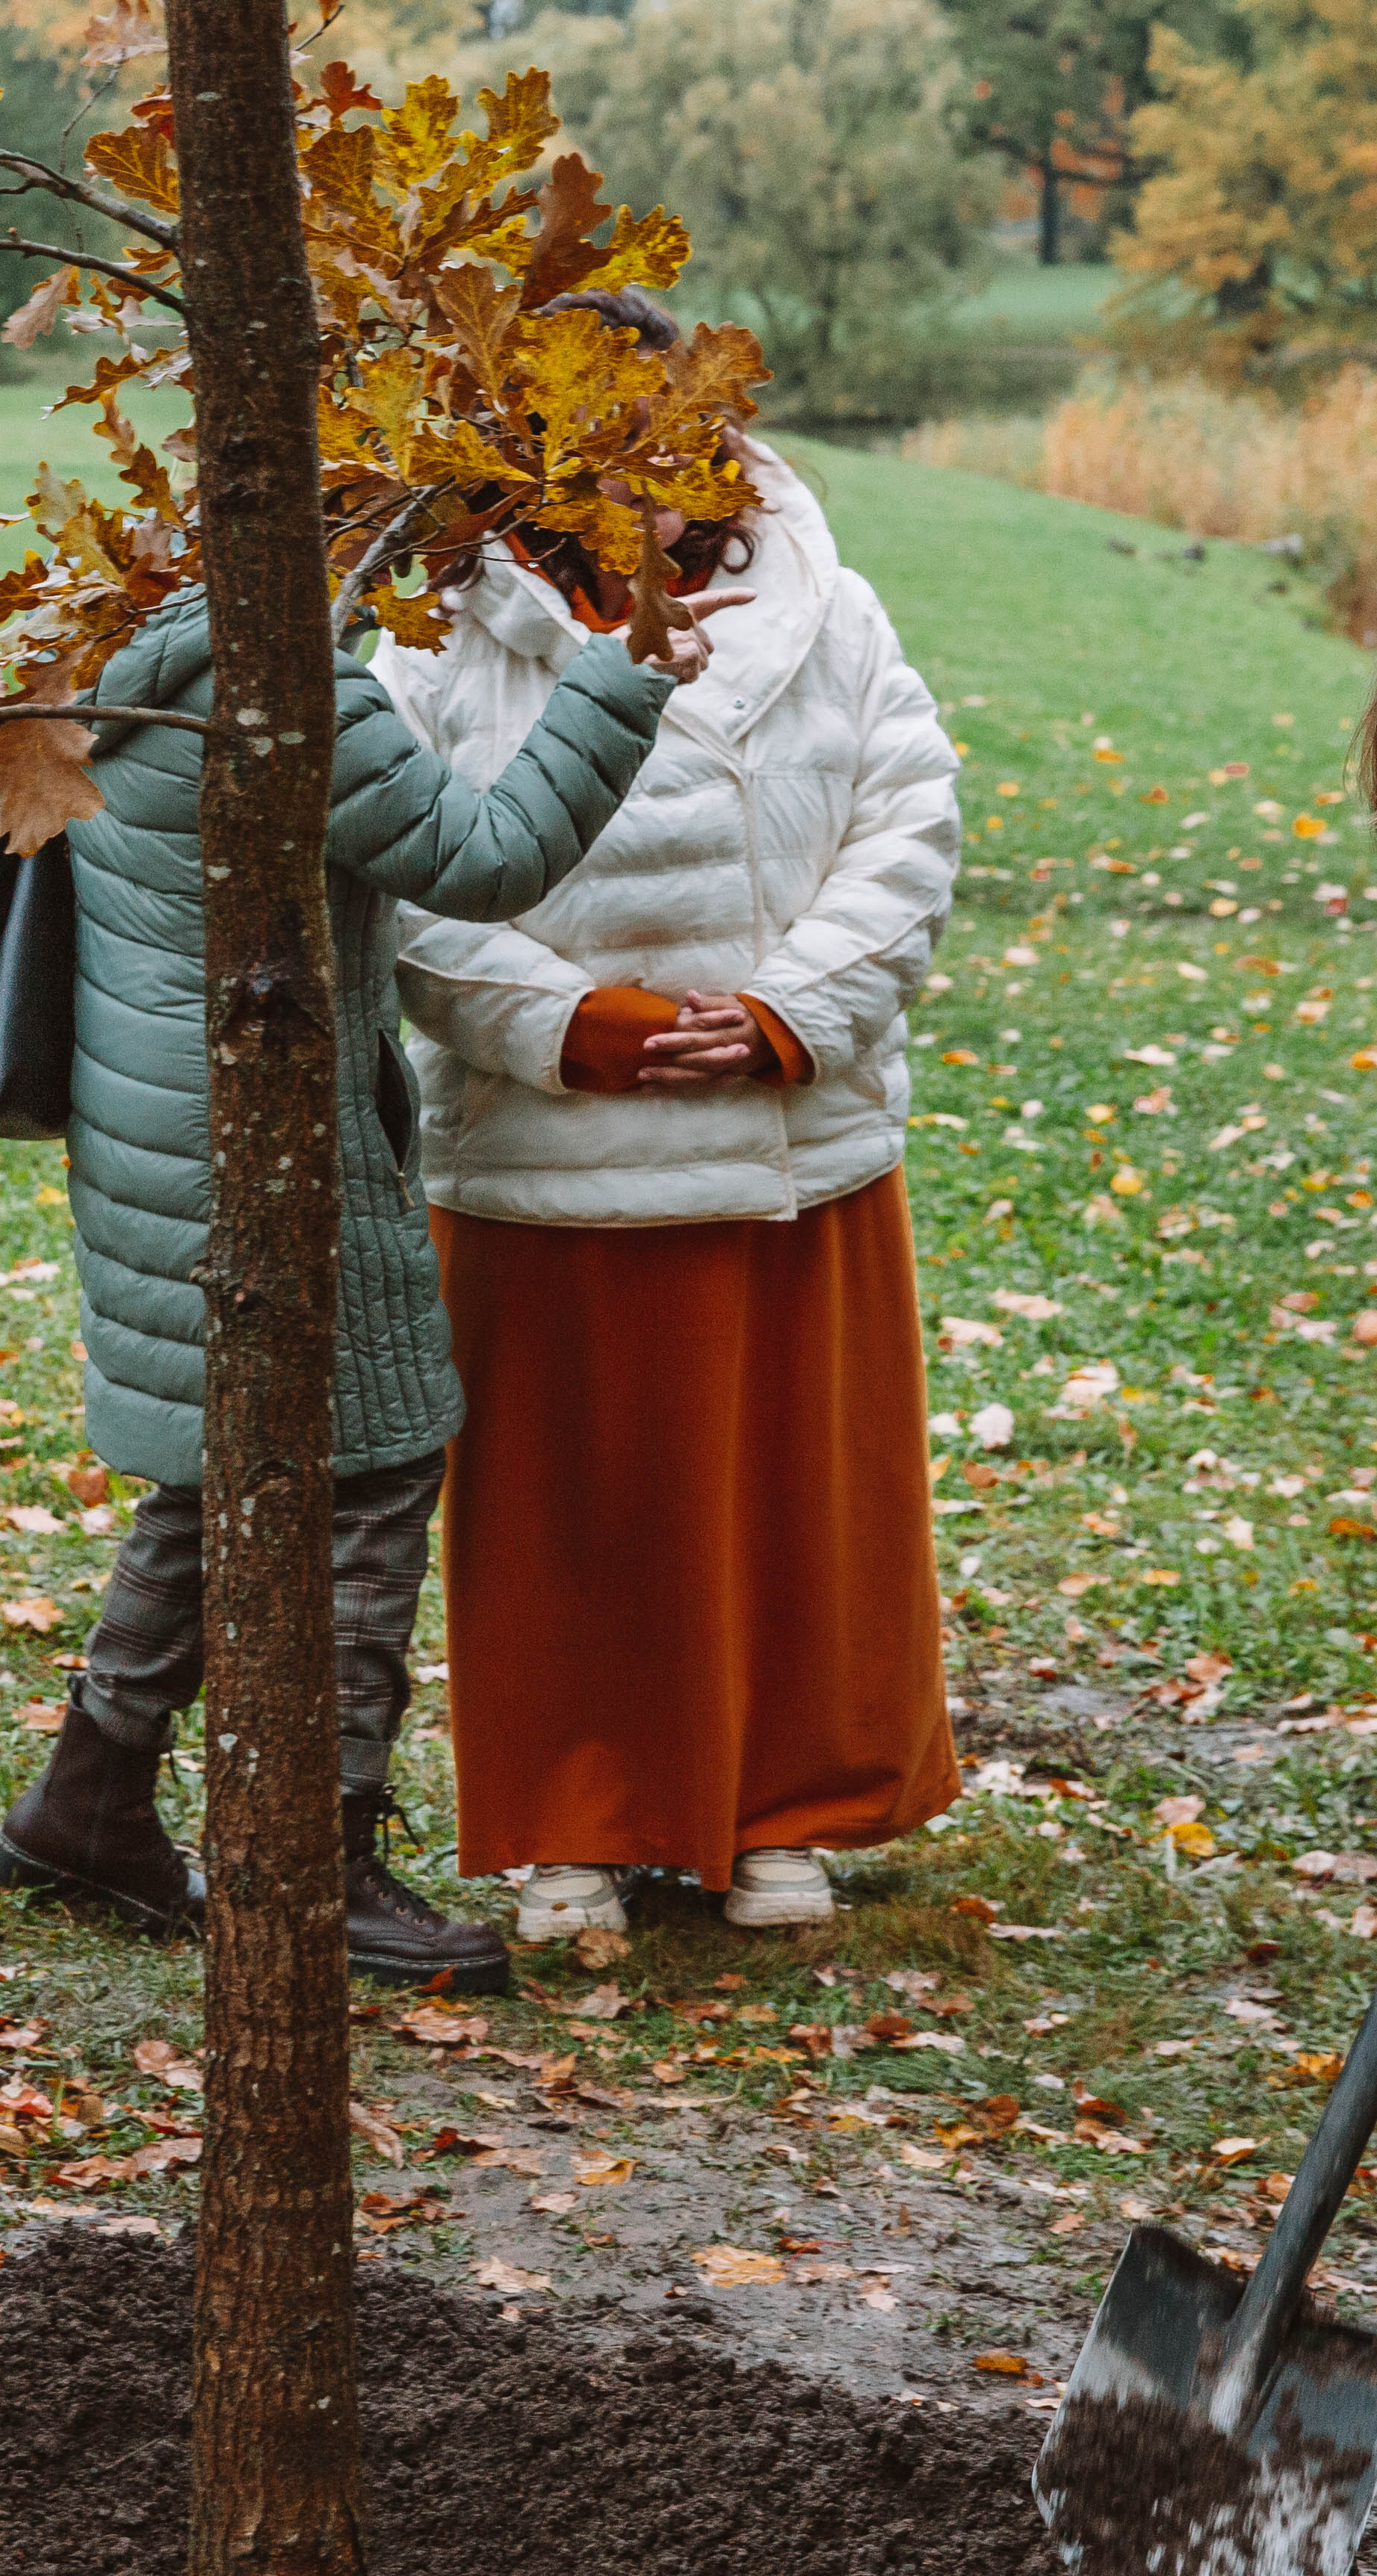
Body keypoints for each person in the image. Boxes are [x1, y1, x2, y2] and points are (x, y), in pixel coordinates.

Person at [0, 542, 746, 1998]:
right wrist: (623, 675)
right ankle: (319, 1865)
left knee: (226, 1463)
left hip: (148, 1108)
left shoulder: (117, 632)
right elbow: (484, 854)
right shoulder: (272, 676)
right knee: (377, 1457)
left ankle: (85, 1800)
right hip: (253, 1124)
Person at [377, 347, 962, 1939]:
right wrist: (582, 1028)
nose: (620, 452)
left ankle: (780, 1809)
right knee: (575, 1506)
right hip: (550, 1153)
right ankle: (575, 1821)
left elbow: (905, 821)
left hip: (788, 1128)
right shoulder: (434, 621)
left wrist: (784, 1010)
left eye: (650, 421)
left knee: (793, 1496)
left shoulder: (821, 604)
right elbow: (406, 882)